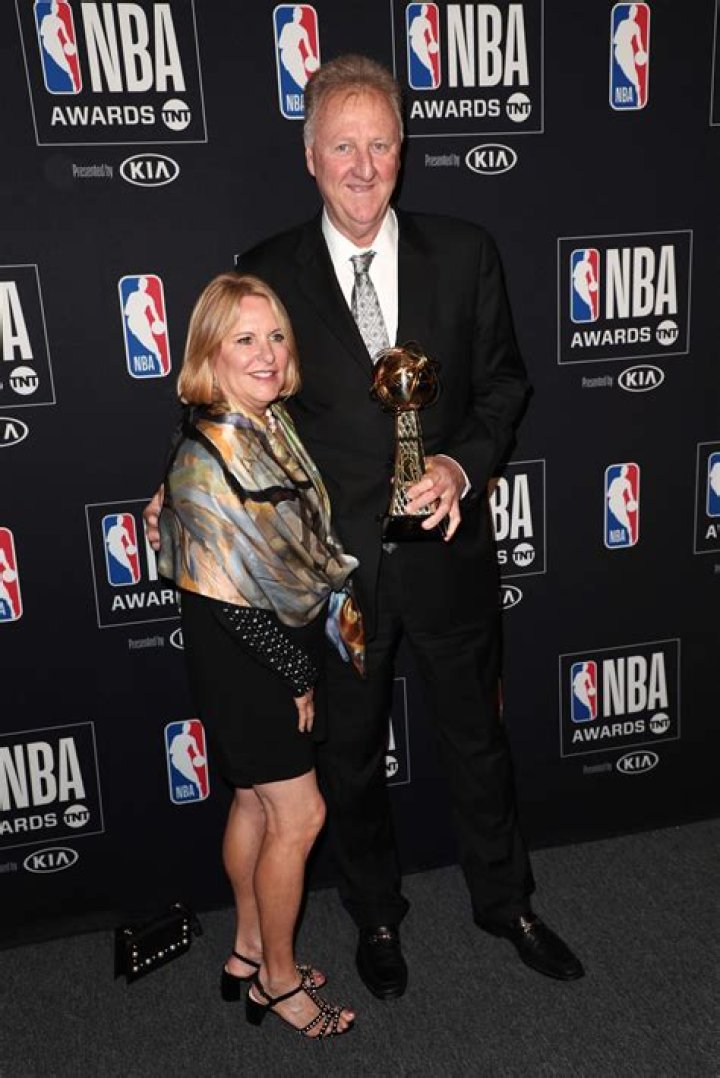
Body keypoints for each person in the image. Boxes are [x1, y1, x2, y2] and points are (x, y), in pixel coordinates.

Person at [146, 54, 583, 998]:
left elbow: (505, 384)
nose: (363, 165)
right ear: (310, 155)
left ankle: (507, 903)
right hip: (333, 575)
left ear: (403, 151)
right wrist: (176, 479)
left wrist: (460, 463)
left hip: (450, 556)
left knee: (478, 741)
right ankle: (376, 917)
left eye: (380, 144)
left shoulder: (465, 252)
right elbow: (229, 390)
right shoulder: (267, 270)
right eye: (343, 146)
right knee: (347, 761)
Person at [158, 272, 364, 1038]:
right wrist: (299, 673)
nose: (267, 353)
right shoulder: (207, 454)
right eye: (245, 338)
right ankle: (278, 983)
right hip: (250, 656)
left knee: (252, 800)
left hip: (264, 647)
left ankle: (247, 950)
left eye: (275, 335)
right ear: (210, 352)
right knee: (300, 816)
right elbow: (227, 600)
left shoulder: (262, 423)